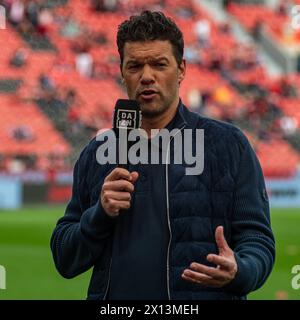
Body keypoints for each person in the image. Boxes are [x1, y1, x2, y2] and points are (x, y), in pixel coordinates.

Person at [50, 11, 275, 300]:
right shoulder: (97, 154)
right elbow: (65, 259)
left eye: (159, 64)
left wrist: (241, 270)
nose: (146, 76)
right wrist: (99, 215)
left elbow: (258, 240)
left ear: (181, 69)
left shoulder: (228, 145)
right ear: (121, 71)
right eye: (135, 66)